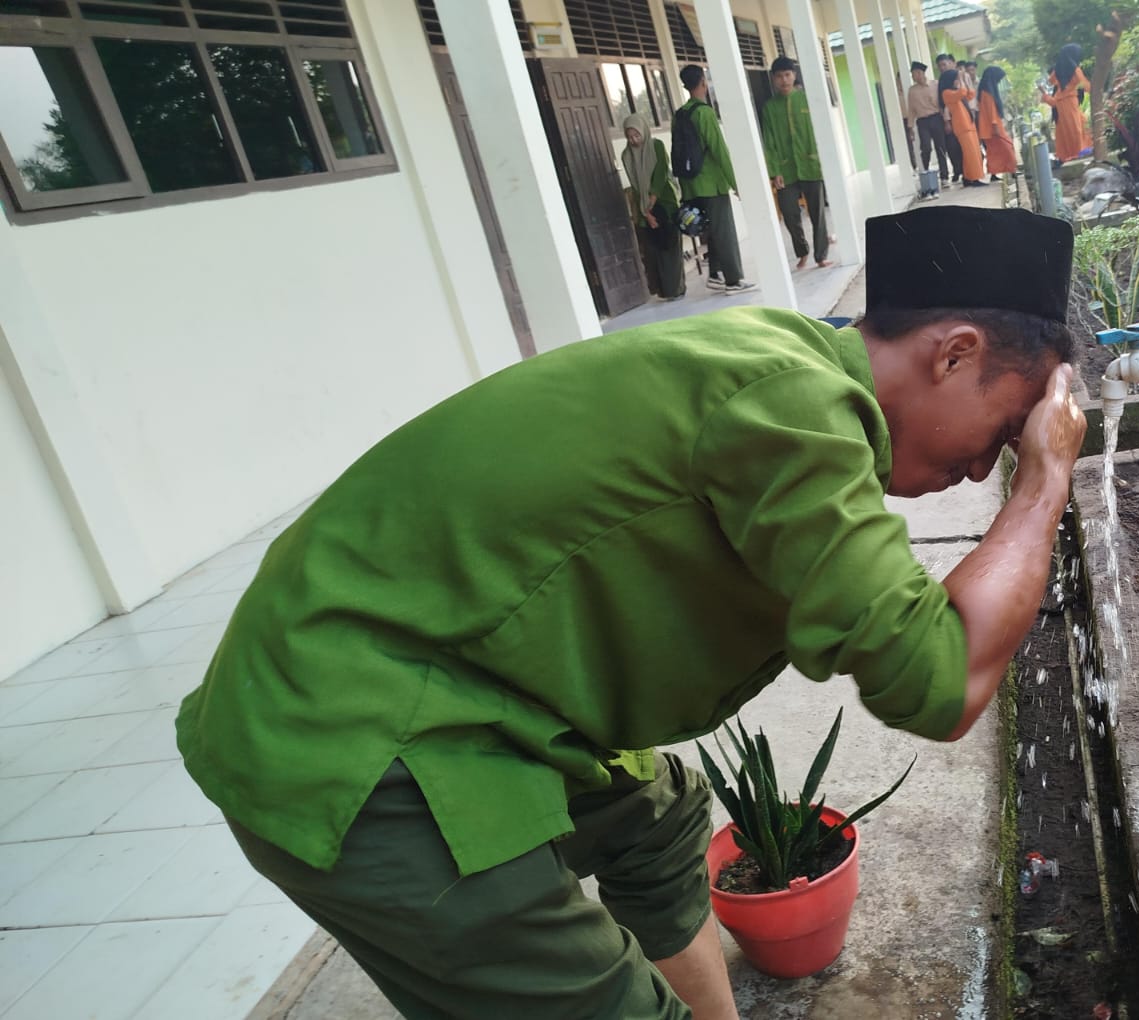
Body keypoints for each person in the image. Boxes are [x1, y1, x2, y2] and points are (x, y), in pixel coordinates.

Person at [175, 203, 1088, 1020]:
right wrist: (1042, 486)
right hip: (353, 737)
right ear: (955, 351)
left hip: (450, 685)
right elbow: (942, 681)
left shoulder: (784, 363)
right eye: (1004, 432)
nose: (983, 470)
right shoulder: (794, 407)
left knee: (657, 823)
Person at [676, 65, 753, 294]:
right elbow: (719, 150)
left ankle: (715, 275)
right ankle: (734, 281)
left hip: (691, 185)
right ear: (702, 83)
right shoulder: (704, 112)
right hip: (712, 184)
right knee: (724, 231)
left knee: (712, 230)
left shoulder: (679, 114)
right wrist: (735, 183)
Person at [760, 57, 830, 270]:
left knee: (817, 213)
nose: (784, 80)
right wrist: (774, 171)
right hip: (785, 170)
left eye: (788, 75)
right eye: (779, 76)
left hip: (810, 165)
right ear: (773, 79)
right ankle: (802, 251)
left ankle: (821, 256)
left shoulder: (807, 100)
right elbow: (768, 142)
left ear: (794, 75)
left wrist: (822, 159)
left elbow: (820, 131)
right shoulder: (770, 108)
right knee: (790, 215)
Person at [621, 112, 685, 302]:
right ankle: (664, 290)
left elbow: (661, 172)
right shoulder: (627, 155)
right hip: (644, 209)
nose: (634, 140)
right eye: (630, 137)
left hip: (665, 203)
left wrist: (652, 200)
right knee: (655, 251)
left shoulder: (656, 146)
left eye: (637, 135)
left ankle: (676, 289)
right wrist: (645, 212)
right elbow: (635, 184)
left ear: (644, 131)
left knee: (671, 247)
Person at [1039, 44, 1090, 164]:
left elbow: (1050, 82)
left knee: (1065, 130)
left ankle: (1068, 154)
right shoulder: (1075, 70)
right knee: (1076, 128)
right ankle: (1078, 154)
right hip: (1071, 101)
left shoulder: (1057, 70)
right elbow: (1086, 86)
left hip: (1060, 104)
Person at [904, 61, 951, 184]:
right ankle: (925, 173)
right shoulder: (912, 91)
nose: (913, 77)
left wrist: (946, 120)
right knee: (926, 148)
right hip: (922, 121)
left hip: (936, 118)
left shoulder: (935, 84)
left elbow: (942, 103)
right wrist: (910, 128)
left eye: (914, 74)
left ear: (920, 73)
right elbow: (911, 109)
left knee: (940, 147)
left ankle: (944, 176)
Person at [940, 68, 985, 186]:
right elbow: (962, 92)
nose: (957, 81)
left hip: (969, 124)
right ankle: (974, 178)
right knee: (971, 154)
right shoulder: (947, 93)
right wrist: (960, 80)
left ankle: (968, 177)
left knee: (973, 152)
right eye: (955, 79)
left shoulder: (956, 92)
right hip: (962, 126)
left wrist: (965, 80)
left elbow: (971, 94)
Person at [977, 66, 1019, 180]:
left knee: (993, 152)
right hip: (993, 127)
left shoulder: (983, 91)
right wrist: (995, 125)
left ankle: (994, 173)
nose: (999, 81)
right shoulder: (988, 93)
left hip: (987, 127)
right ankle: (1012, 170)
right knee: (1008, 146)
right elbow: (991, 111)